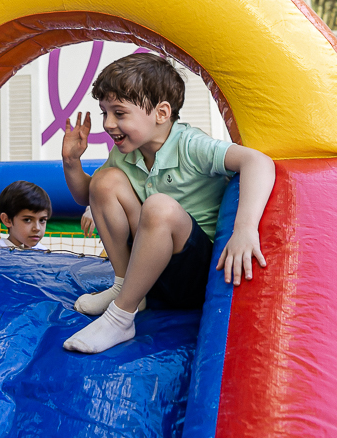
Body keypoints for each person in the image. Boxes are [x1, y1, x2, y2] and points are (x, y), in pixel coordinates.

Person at [60, 53, 275, 353]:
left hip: (198, 275)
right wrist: (71, 162)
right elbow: (89, 196)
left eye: (119, 113)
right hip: (148, 270)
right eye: (104, 113)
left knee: (159, 206)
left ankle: (120, 318)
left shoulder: (190, 145)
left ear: (161, 113)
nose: (108, 124)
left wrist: (245, 228)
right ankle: (126, 287)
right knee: (104, 180)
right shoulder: (124, 154)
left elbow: (258, 161)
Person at [0, 180, 51, 251]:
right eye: (27, 220)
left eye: (42, 220)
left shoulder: (43, 251)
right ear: (7, 220)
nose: (37, 228)